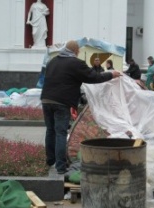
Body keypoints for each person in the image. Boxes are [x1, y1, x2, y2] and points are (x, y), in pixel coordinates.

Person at [40, 40, 121, 174]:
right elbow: (93, 77)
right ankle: (60, 167)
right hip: (62, 102)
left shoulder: (52, 61)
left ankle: (50, 161)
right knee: (60, 132)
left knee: (50, 131)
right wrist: (111, 74)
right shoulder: (75, 63)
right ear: (76, 51)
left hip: (46, 100)